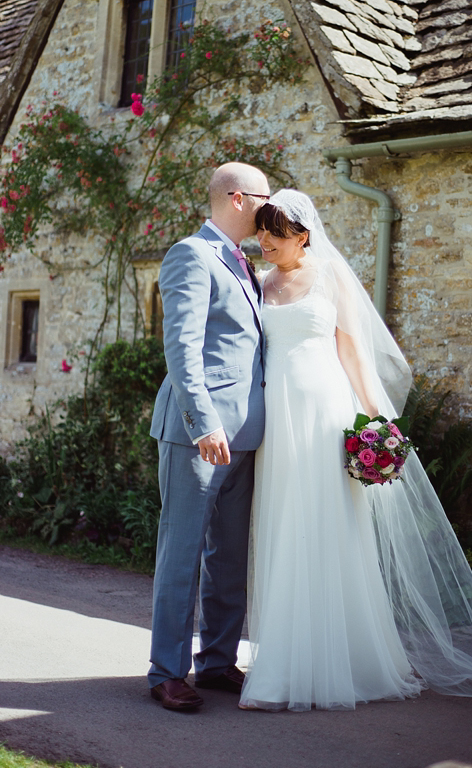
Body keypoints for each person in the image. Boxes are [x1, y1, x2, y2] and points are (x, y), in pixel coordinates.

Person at [238, 189, 472, 712]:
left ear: (304, 235)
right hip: (280, 418)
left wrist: (376, 421)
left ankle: (343, 663)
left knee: (330, 528)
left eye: (276, 232)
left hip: (324, 414)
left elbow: (354, 353)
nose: (265, 241)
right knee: (283, 527)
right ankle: (284, 660)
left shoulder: (329, 276)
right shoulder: (261, 282)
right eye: (262, 231)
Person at [147, 162, 270, 711]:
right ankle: (166, 672)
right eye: (266, 198)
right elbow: (183, 350)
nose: (272, 208)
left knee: (229, 558)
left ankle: (218, 662)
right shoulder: (191, 255)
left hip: (246, 434)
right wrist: (205, 425)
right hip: (199, 434)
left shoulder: (246, 262)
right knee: (182, 552)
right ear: (238, 199)